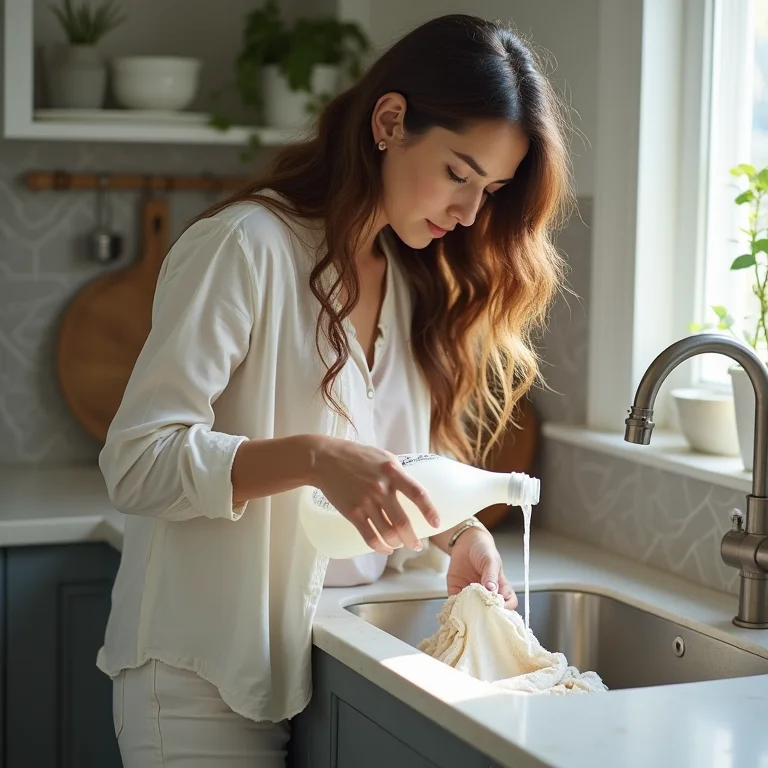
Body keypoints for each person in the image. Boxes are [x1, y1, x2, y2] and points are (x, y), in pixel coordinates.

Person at [97, 12, 572, 768]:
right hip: (200, 676)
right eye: (457, 172)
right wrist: (315, 458)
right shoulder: (245, 247)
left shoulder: (413, 285)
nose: (468, 212)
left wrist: (460, 533)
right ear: (390, 120)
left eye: (491, 189)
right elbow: (137, 461)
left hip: (323, 651)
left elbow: (398, 468)